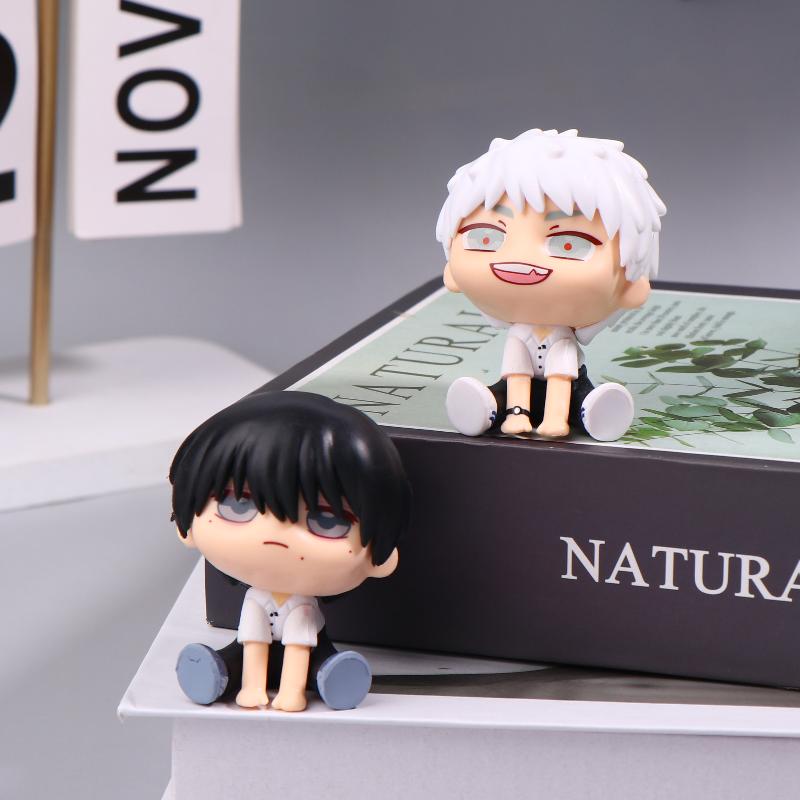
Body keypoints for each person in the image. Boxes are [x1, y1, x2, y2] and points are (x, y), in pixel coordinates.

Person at [170, 390, 412, 711]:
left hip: (309, 651)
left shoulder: (304, 606)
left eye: (326, 520)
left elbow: (299, 646)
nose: (274, 536)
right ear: (186, 524)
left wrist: (292, 694)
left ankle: (331, 678)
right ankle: (219, 673)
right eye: (237, 505)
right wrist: (253, 688)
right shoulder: (255, 597)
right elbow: (253, 640)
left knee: (314, 659)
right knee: (242, 650)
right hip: (251, 645)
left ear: (380, 560)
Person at [436, 128, 666, 441]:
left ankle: (591, 411)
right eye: (486, 237)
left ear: (631, 285)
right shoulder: (518, 334)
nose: (519, 259)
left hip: (567, 387)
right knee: (506, 388)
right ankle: (486, 406)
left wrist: (555, 416)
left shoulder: (564, 338)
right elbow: (516, 370)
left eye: (569, 243)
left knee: (576, 394)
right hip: (516, 386)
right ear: (450, 270)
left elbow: (562, 372)